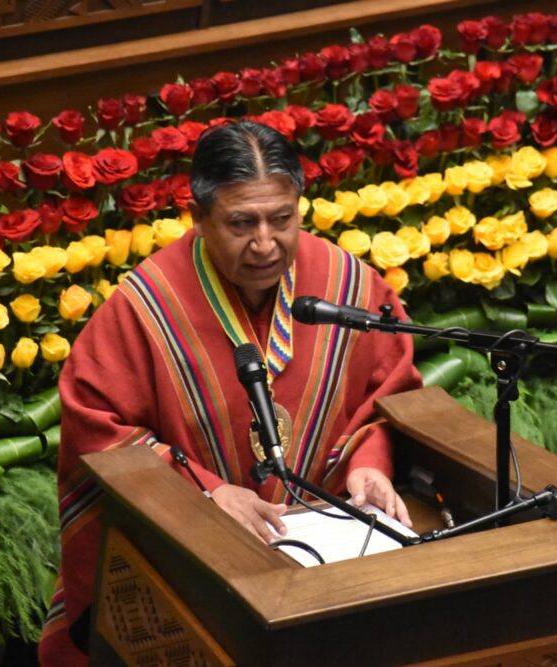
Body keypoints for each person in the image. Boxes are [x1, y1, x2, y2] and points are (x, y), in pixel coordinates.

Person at [38, 120, 422, 665]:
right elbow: (94, 427)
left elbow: (392, 393)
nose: (265, 244)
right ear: (198, 217)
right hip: (196, 566)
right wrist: (207, 494)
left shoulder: (346, 284)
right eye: (242, 223)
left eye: (281, 220)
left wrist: (371, 461)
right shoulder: (145, 307)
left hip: (335, 554)